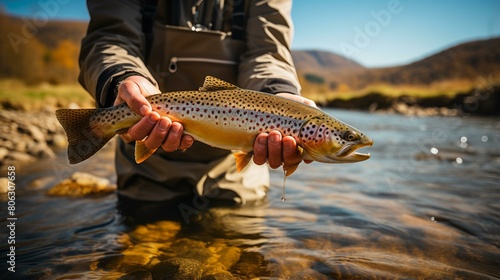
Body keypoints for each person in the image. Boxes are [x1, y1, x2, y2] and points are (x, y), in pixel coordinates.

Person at [78, 0, 315, 204]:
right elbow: (110, 38)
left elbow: (266, 54)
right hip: (147, 162)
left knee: (236, 252)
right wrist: (123, 79)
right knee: (140, 247)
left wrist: (279, 96)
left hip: (236, 165)